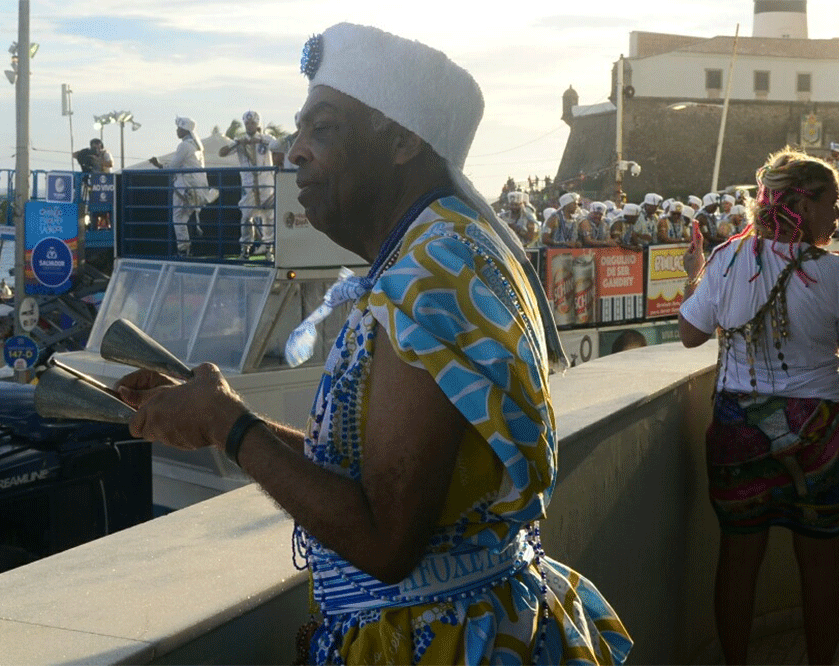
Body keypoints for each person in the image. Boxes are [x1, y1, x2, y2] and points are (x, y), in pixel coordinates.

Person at [116, 22, 630, 665]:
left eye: (322, 128)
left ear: (403, 140)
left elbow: (386, 539)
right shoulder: (442, 251)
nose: (292, 152)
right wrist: (213, 416)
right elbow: (385, 470)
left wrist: (226, 424)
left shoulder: (432, 275)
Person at [678, 147, 839, 665]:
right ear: (803, 205)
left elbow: (689, 335)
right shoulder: (836, 272)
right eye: (832, 203)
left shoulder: (726, 259)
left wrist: (695, 275)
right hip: (820, 432)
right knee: (819, 563)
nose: (838, 215)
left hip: (737, 429)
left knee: (738, 559)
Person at [149, 117, 218, 256]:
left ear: (184, 129)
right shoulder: (195, 145)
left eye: (179, 128)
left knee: (178, 219)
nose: (177, 130)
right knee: (183, 218)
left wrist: (159, 165)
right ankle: (185, 248)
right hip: (196, 188)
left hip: (186, 187)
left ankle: (183, 249)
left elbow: (173, 166)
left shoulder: (184, 146)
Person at [219, 110, 280, 259]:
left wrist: (259, 141)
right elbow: (222, 152)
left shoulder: (266, 138)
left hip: (266, 184)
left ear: (257, 124)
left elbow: (278, 145)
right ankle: (245, 249)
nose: (249, 126)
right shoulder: (239, 141)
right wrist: (238, 142)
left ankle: (268, 249)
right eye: (247, 123)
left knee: (269, 218)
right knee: (246, 218)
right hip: (249, 186)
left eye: (252, 123)